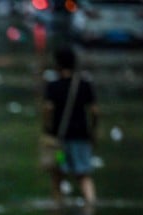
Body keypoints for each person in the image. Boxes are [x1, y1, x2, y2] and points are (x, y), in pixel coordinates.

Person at [43, 46, 99, 204]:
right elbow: (94, 111)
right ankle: (91, 205)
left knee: (58, 173)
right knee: (84, 175)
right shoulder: (84, 84)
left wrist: (47, 130)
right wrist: (93, 130)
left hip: (60, 141)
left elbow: (48, 109)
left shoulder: (53, 86)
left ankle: (57, 207)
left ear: (57, 64)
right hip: (81, 137)